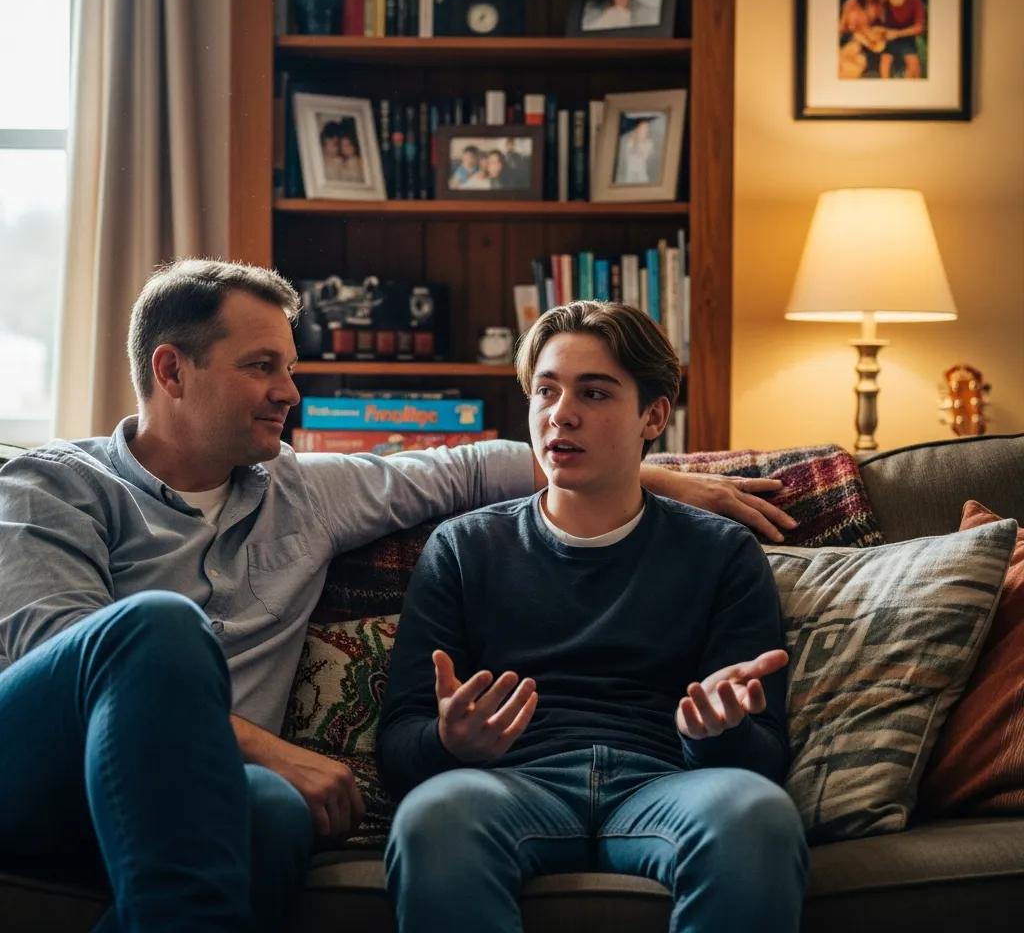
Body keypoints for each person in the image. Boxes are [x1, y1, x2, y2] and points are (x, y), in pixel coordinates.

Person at [0, 262, 795, 931]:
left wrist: (647, 475)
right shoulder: (53, 485)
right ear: (171, 370)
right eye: (261, 366)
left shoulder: (301, 491)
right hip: (42, 768)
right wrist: (278, 753)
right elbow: (62, 659)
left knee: (271, 818)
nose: (291, 390)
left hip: (199, 786)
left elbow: (472, 467)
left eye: (288, 364)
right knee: (154, 629)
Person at [379, 300, 809, 933]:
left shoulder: (721, 551)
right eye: (546, 391)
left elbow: (764, 755)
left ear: (653, 416)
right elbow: (398, 745)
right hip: (510, 785)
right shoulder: (465, 548)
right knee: (433, 817)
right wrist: (448, 741)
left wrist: (719, 734)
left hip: (666, 784)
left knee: (756, 813)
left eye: (596, 392)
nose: (562, 414)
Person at [879, 0, 925, 79]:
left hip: (906, 38)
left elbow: (919, 27)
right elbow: (875, 18)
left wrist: (897, 34)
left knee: (914, 66)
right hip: (887, 39)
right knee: (885, 64)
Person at [838, 0, 884, 78]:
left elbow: (882, 29)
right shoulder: (851, 3)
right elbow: (842, 28)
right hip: (853, 39)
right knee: (851, 53)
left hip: (872, 43)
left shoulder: (880, 5)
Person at [616, 117, 656, 184]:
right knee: (628, 182)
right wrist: (635, 141)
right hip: (631, 168)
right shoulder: (631, 140)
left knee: (643, 182)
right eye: (642, 128)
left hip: (641, 168)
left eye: (646, 128)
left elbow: (645, 156)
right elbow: (627, 154)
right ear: (637, 129)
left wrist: (642, 146)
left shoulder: (649, 143)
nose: (645, 130)